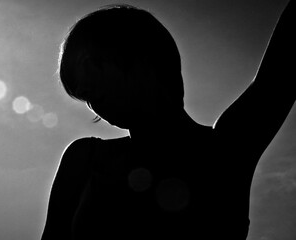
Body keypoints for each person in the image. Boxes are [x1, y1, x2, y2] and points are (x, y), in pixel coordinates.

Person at [42, 1, 295, 239]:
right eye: (84, 95)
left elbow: (277, 77)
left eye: (91, 69)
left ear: (141, 56)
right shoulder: (85, 159)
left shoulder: (226, 150)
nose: (92, 98)